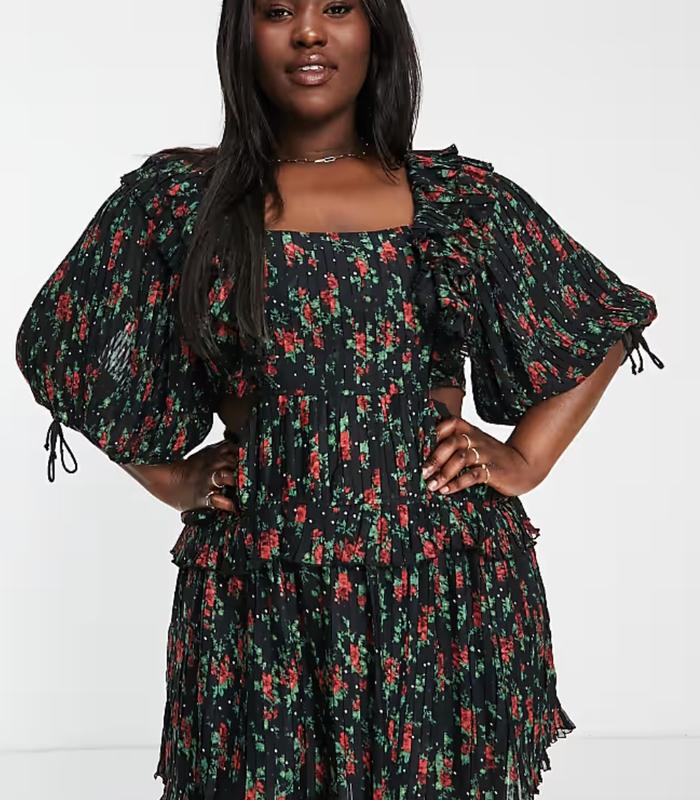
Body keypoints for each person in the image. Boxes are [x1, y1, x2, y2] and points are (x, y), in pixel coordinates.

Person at [15, 1, 664, 798]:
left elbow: (601, 318)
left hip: (441, 583)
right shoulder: (181, 201)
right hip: (260, 584)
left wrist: (526, 460)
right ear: (242, 34)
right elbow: (68, 344)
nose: (308, 31)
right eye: (277, 10)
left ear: (376, 29)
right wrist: (172, 478)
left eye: (337, 7)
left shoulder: (458, 199)